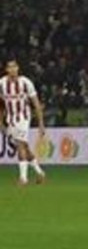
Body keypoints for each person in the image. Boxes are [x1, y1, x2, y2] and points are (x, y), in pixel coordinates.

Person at [2, 57, 47, 186]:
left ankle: (23, 178)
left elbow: (36, 104)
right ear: (6, 70)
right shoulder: (2, 84)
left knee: (21, 145)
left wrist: (41, 124)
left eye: (14, 67)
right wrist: (1, 122)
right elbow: (1, 104)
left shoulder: (26, 83)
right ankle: (40, 173)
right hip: (11, 119)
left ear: (18, 69)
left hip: (23, 118)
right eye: (10, 67)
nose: (13, 69)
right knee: (24, 147)